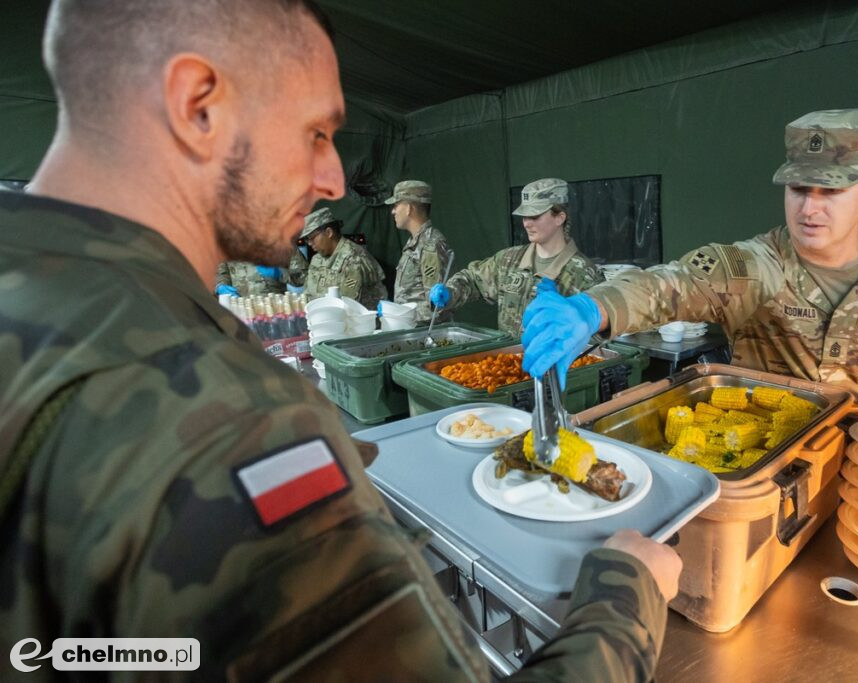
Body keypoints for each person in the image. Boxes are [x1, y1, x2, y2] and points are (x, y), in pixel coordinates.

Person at [0, 1, 681, 680]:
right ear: (196, 105)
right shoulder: (219, 408)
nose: (331, 179)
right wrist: (624, 597)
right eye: (316, 133)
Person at [522, 110, 858, 417]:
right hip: (768, 464)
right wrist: (593, 309)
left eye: (832, 192)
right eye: (799, 189)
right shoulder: (756, 263)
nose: (809, 209)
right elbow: (677, 283)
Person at [430, 177, 605, 336]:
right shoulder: (509, 260)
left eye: (535, 216)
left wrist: (565, 313)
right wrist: (450, 293)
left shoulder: (584, 275)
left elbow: (599, 337)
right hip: (507, 365)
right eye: (525, 216)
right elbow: (473, 279)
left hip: (552, 367)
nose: (527, 223)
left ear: (559, 217)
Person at [387, 180, 454, 325]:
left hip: (427, 336)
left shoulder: (431, 245)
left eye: (396, 205)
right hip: (413, 331)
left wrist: (399, 315)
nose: (393, 211)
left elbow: (438, 306)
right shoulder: (416, 242)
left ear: (409, 208)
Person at [299, 206, 387, 307]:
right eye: (307, 239)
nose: (309, 243)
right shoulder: (317, 259)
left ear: (329, 233)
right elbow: (308, 295)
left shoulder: (354, 259)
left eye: (312, 238)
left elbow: (347, 304)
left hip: (357, 320)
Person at [215, 260, 286, 296]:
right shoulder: (224, 244)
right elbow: (221, 271)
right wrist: (221, 285)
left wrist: (280, 272)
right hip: (241, 299)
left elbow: (294, 267)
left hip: (273, 298)